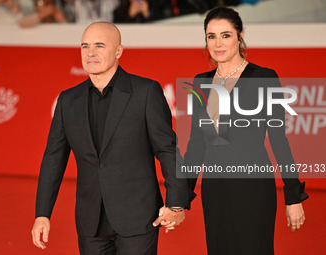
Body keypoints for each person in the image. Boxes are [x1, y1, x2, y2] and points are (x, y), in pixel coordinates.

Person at [31, 21, 194, 255]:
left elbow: (167, 150)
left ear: (118, 51)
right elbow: (53, 159)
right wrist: (42, 214)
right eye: (85, 46)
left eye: (99, 45)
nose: (90, 53)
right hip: (90, 221)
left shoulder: (145, 92)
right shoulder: (68, 100)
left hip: (138, 217)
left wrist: (176, 203)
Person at [183, 7, 308, 255]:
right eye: (211, 36)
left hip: (253, 186)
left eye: (226, 35)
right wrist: (180, 196)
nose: (218, 43)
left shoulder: (264, 77)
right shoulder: (201, 81)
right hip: (215, 189)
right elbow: (197, 143)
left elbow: (278, 139)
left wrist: (293, 195)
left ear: (240, 36)